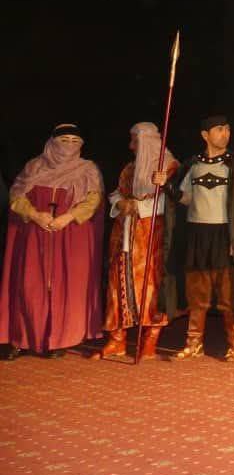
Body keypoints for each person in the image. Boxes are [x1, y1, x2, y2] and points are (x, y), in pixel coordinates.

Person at [154, 115, 234, 361]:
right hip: (198, 235)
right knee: (196, 294)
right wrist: (166, 185)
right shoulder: (193, 164)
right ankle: (194, 343)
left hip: (224, 234)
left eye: (227, 129)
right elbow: (186, 199)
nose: (225, 133)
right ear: (205, 135)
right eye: (219, 129)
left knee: (227, 296)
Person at [0, 124, 104, 359]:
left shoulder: (87, 169)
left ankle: (60, 339)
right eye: (64, 140)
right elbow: (16, 196)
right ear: (52, 142)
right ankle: (23, 338)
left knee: (66, 285)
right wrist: (36, 215)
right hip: (35, 232)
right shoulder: (35, 166)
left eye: (75, 141)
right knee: (29, 283)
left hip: (70, 234)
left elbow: (93, 201)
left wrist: (68, 217)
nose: (69, 145)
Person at [98, 122, 179, 361]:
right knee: (119, 281)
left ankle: (150, 340)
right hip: (125, 232)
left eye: (135, 141)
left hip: (152, 234)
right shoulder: (129, 168)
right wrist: (120, 203)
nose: (131, 146)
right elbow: (117, 192)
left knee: (151, 284)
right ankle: (117, 340)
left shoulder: (169, 167)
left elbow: (171, 201)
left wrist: (139, 206)